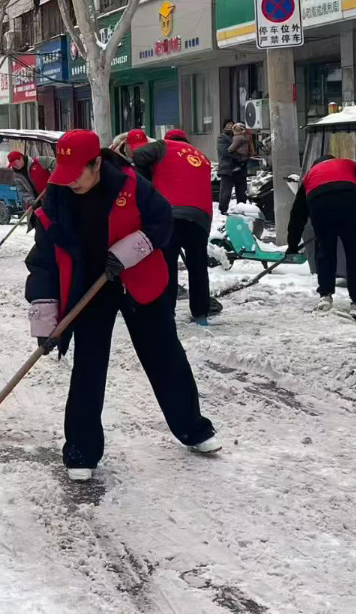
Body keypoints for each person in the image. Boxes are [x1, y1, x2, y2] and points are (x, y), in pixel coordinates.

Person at [24, 129, 219, 482]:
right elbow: (44, 262)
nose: (71, 182)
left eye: (78, 173)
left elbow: (162, 222)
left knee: (164, 354)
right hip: (90, 287)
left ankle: (193, 429)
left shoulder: (131, 183)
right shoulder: (56, 198)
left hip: (139, 277)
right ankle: (81, 450)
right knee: (89, 363)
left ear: (97, 163)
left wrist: (128, 251)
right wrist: (46, 321)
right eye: (65, 174)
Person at [129, 128, 215, 325]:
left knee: (167, 265)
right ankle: (201, 314)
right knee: (198, 267)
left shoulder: (163, 146)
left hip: (171, 213)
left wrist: (145, 182)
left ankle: (167, 313)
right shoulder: (202, 156)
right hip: (200, 218)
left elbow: (139, 155)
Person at [286, 155, 356, 312]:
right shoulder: (349, 164)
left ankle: (325, 296)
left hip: (321, 206)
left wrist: (292, 245)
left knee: (326, 252)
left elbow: (297, 214)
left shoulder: (310, 175)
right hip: (350, 202)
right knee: (354, 254)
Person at [217, 121, 254, 214]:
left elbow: (249, 148)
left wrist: (247, 156)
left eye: (232, 124)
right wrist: (239, 158)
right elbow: (225, 151)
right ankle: (223, 210)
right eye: (228, 124)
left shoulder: (243, 136)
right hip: (227, 169)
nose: (231, 126)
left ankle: (242, 209)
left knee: (242, 192)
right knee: (226, 193)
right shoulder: (222, 137)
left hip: (241, 168)